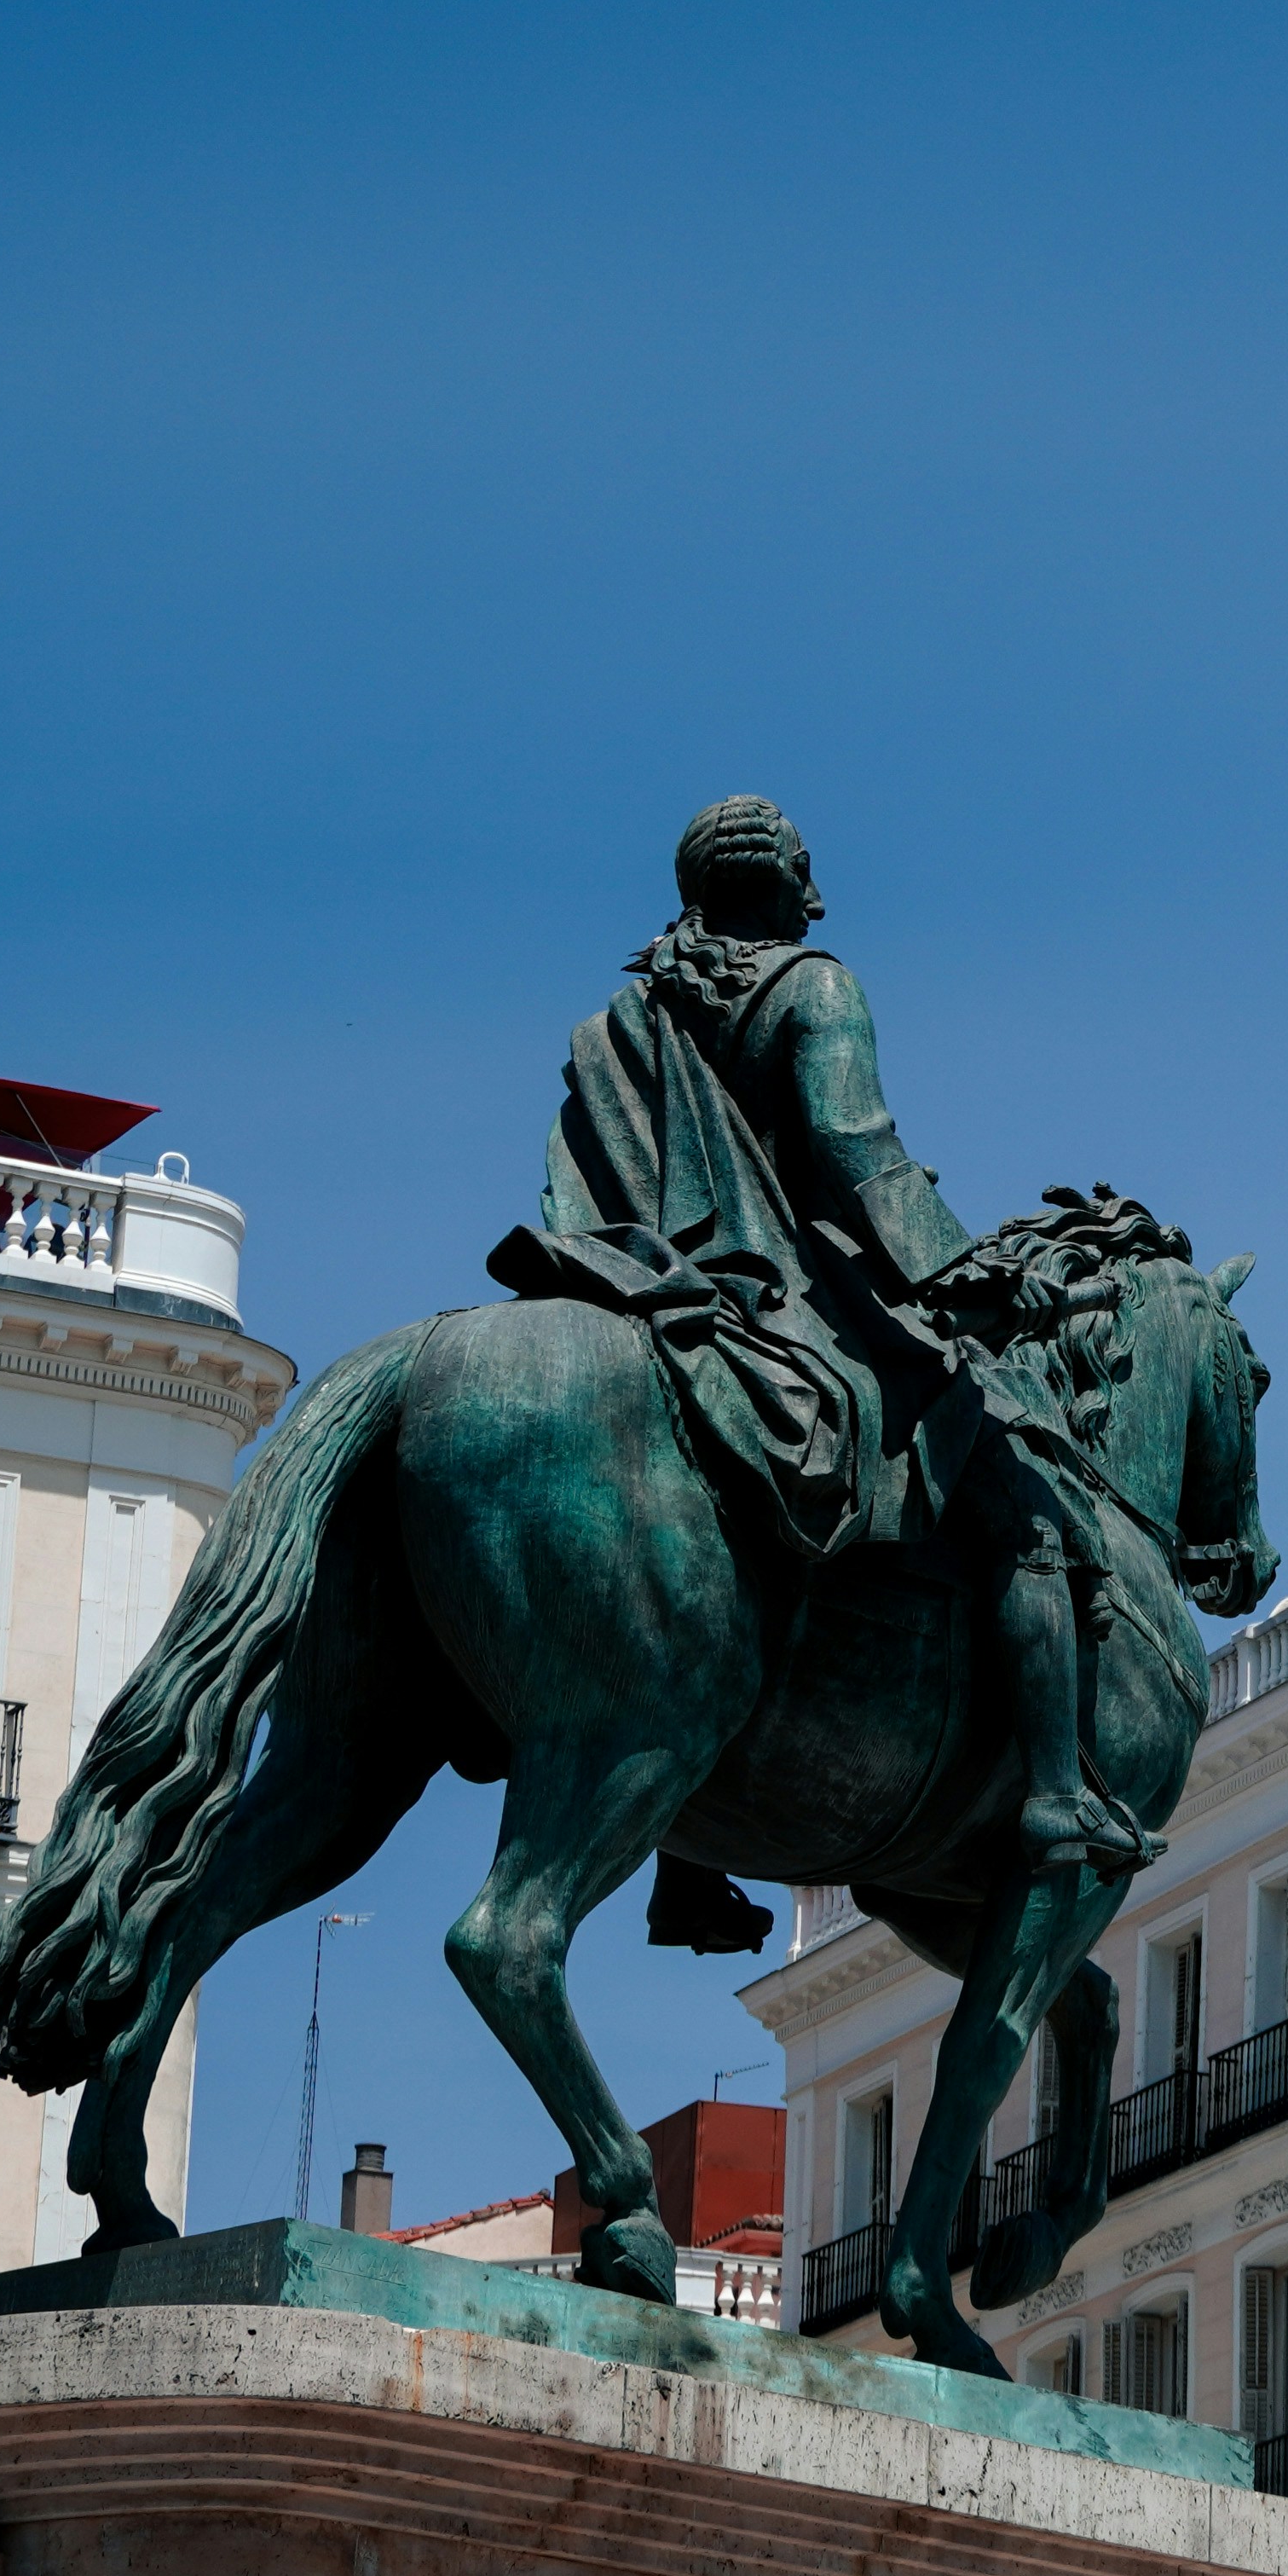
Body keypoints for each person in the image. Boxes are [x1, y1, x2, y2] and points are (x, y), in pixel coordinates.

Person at [493, 799, 1147, 1935]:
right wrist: (975, 1276)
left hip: (651, 1285)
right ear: (774, 882)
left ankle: (686, 1859)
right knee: (1028, 1512)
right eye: (808, 872)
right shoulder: (812, 985)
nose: (822, 897)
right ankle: (1057, 1795)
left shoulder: (627, 1008)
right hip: (795, 1296)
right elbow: (858, 1152)